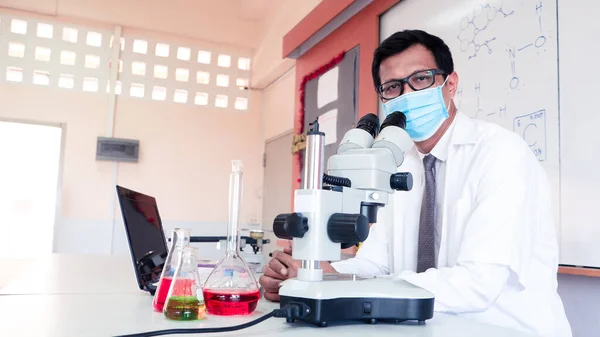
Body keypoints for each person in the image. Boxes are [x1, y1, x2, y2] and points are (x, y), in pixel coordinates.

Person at [259, 30, 572, 337]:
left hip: (508, 329)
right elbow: (374, 265)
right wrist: (309, 278)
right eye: (393, 87)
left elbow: (479, 283)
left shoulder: (500, 153)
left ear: (450, 85)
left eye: (421, 79)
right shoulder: (394, 164)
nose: (407, 95)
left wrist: (340, 284)